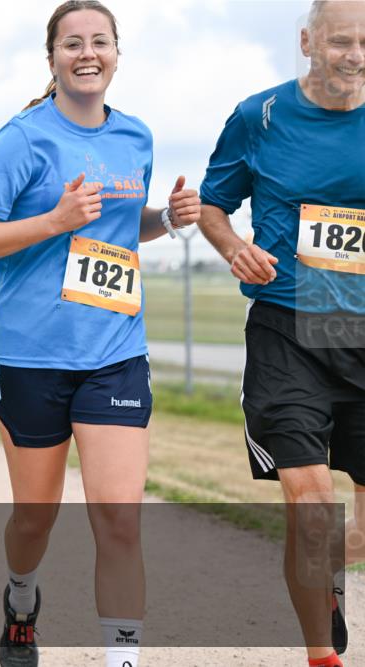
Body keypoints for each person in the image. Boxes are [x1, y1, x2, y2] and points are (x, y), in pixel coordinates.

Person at [0, 2, 201, 665]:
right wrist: (54, 220)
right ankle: (21, 596)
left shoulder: (136, 137)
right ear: (52, 56)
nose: (88, 53)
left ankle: (122, 658)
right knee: (36, 517)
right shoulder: (22, 139)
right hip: (32, 356)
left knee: (119, 516)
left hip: (115, 350)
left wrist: (165, 220)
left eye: (100, 42)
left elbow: (115, 224)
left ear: (117, 52)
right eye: (73, 43)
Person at [197, 2, 364, 665]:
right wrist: (234, 246)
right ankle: (321, 652)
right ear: (307, 42)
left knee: (347, 533)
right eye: (341, 41)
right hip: (287, 327)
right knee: (310, 497)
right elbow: (213, 205)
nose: (354, 55)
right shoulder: (258, 117)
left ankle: (330, 572)